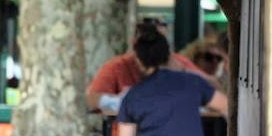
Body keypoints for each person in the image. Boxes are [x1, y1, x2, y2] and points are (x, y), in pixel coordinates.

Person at [86, 18, 216, 112]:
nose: (155, 49)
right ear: (135, 43)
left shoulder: (177, 63)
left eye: (161, 42)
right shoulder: (116, 66)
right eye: (150, 42)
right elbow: (91, 100)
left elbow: (214, 90)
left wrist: (184, 72)